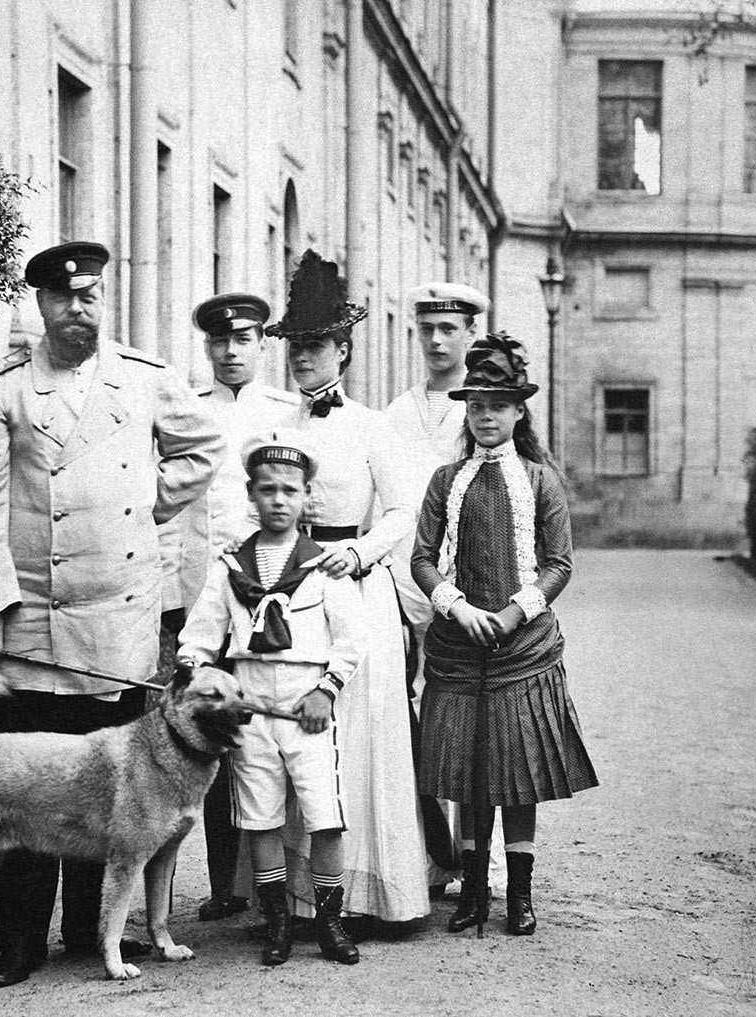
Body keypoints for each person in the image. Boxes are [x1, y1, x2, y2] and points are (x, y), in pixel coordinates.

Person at [0, 240, 224, 987]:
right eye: (65, 298)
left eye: (92, 295)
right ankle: (20, 942)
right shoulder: (3, 387)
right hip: (32, 612)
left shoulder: (144, 379)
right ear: (40, 303)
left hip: (118, 614)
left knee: (110, 782)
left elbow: (203, 447)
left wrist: (142, 511)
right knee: (35, 780)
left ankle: (89, 931)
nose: (80, 309)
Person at [410, 331, 598, 936]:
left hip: (524, 647)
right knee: (467, 773)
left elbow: (560, 562)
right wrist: (456, 606)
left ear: (520, 411)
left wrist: (514, 614)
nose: (485, 415)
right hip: (460, 644)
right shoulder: (446, 479)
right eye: (475, 405)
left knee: (516, 773)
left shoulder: (542, 481)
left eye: (498, 404)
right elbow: (421, 557)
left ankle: (519, 894)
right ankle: (473, 894)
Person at [267, 249, 430, 928]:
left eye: (315, 346)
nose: (302, 358)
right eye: (295, 347)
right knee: (302, 734)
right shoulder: (279, 425)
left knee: (357, 735)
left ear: (344, 351)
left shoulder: (372, 425)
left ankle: (368, 895)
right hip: (296, 588)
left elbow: (401, 512)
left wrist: (359, 551)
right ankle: (306, 900)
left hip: (356, 588)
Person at [177, 433, 365, 966]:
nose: (278, 500)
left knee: (324, 814)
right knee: (260, 817)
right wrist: (200, 672)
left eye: (290, 490)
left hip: (307, 705)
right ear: (251, 496)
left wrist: (327, 691)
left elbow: (353, 641)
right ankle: (276, 925)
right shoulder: (230, 567)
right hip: (250, 705)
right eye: (267, 490)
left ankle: (330, 922)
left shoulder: (322, 567)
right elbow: (199, 637)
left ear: (307, 497)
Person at [160, 293, 297, 922]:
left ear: (263, 344)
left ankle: (281, 883)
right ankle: (225, 884)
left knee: (271, 729)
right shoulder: (185, 411)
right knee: (209, 731)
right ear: (207, 347)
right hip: (201, 597)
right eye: (220, 342)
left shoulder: (286, 412)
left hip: (269, 601)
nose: (231, 352)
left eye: (243, 341)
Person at [383, 282, 487, 911]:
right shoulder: (397, 413)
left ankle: (484, 858)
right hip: (405, 584)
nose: (438, 341)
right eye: (428, 330)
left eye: (451, 329)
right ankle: (429, 855)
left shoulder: (480, 411)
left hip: (467, 587)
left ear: (471, 334)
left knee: (473, 718)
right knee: (411, 721)